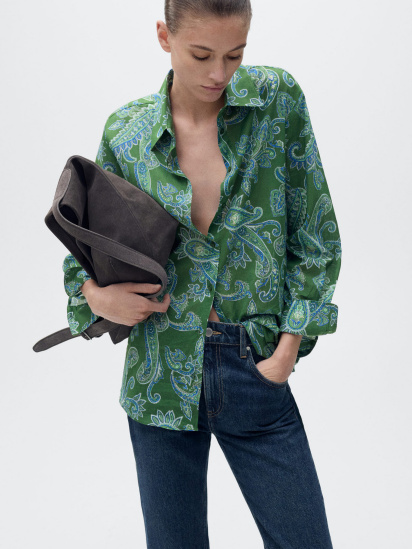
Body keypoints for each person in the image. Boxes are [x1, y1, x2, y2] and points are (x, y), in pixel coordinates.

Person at [62, 0, 341, 547]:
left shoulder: (277, 101)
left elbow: (317, 235)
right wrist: (96, 298)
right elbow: (83, 254)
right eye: (202, 54)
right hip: (159, 373)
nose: (219, 73)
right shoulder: (127, 133)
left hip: (253, 364)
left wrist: (286, 351)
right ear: (164, 36)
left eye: (235, 54)